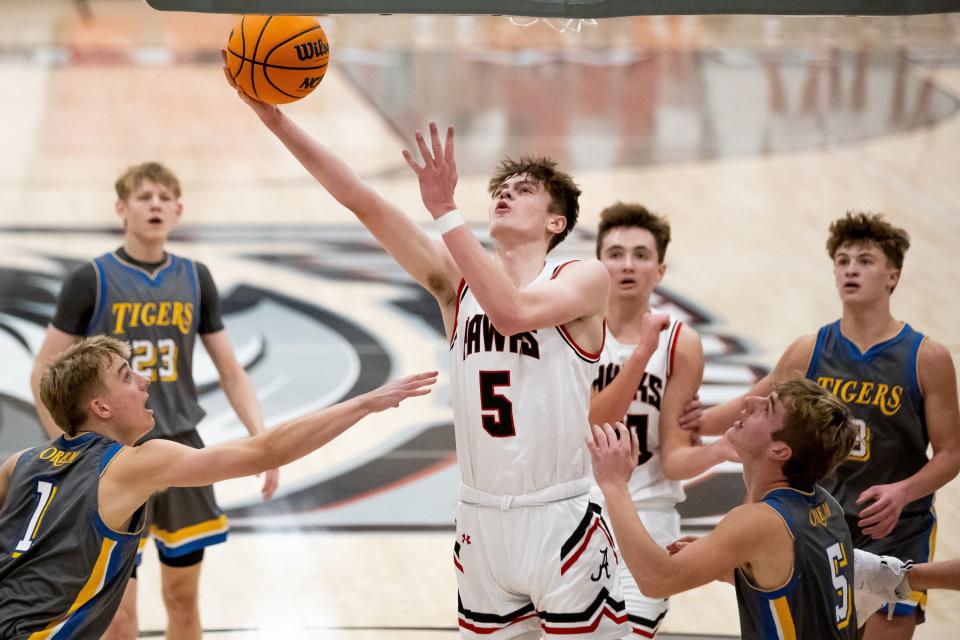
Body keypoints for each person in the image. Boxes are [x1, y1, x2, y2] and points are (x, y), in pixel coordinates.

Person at [225, 55, 628, 638]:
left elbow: (513, 315)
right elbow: (363, 201)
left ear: (556, 222)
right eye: (502, 189)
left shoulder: (582, 277)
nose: (506, 196)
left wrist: (444, 211)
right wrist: (274, 119)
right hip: (479, 517)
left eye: (525, 190)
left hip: (559, 514)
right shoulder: (455, 282)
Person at [1, 335, 436, 639]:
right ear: (101, 406)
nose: (145, 381)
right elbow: (264, 451)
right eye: (126, 376)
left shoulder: (20, 463)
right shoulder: (134, 462)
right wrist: (364, 402)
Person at [28, 162, 280, 640]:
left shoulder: (195, 277)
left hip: (182, 448)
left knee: (183, 602)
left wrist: (261, 439)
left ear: (179, 210)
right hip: (113, 458)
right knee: (117, 619)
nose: (156, 205)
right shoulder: (92, 280)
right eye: (145, 197)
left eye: (165, 198)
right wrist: (64, 445)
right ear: (122, 208)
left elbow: (231, 369)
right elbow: (43, 368)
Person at [680, 211, 960, 639]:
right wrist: (693, 422)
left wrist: (903, 492)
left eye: (865, 260)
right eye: (843, 260)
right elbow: (748, 401)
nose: (850, 268)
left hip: (896, 529)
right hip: (824, 523)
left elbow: (950, 454)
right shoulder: (810, 349)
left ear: (893, 276)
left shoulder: (926, 357)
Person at [591, 377, 860, 638]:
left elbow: (656, 580)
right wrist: (725, 563)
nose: (751, 401)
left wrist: (614, 485)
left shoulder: (761, 522)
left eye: (767, 408)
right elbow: (802, 588)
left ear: (780, 451)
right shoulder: (827, 505)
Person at [588, 202, 736, 638]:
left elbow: (673, 459)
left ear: (660, 270)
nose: (627, 265)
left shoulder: (680, 343)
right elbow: (589, 421)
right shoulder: (575, 329)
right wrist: (638, 357)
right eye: (615, 253)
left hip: (647, 513)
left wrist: (720, 450)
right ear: (598, 263)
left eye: (641, 254)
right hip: (576, 508)